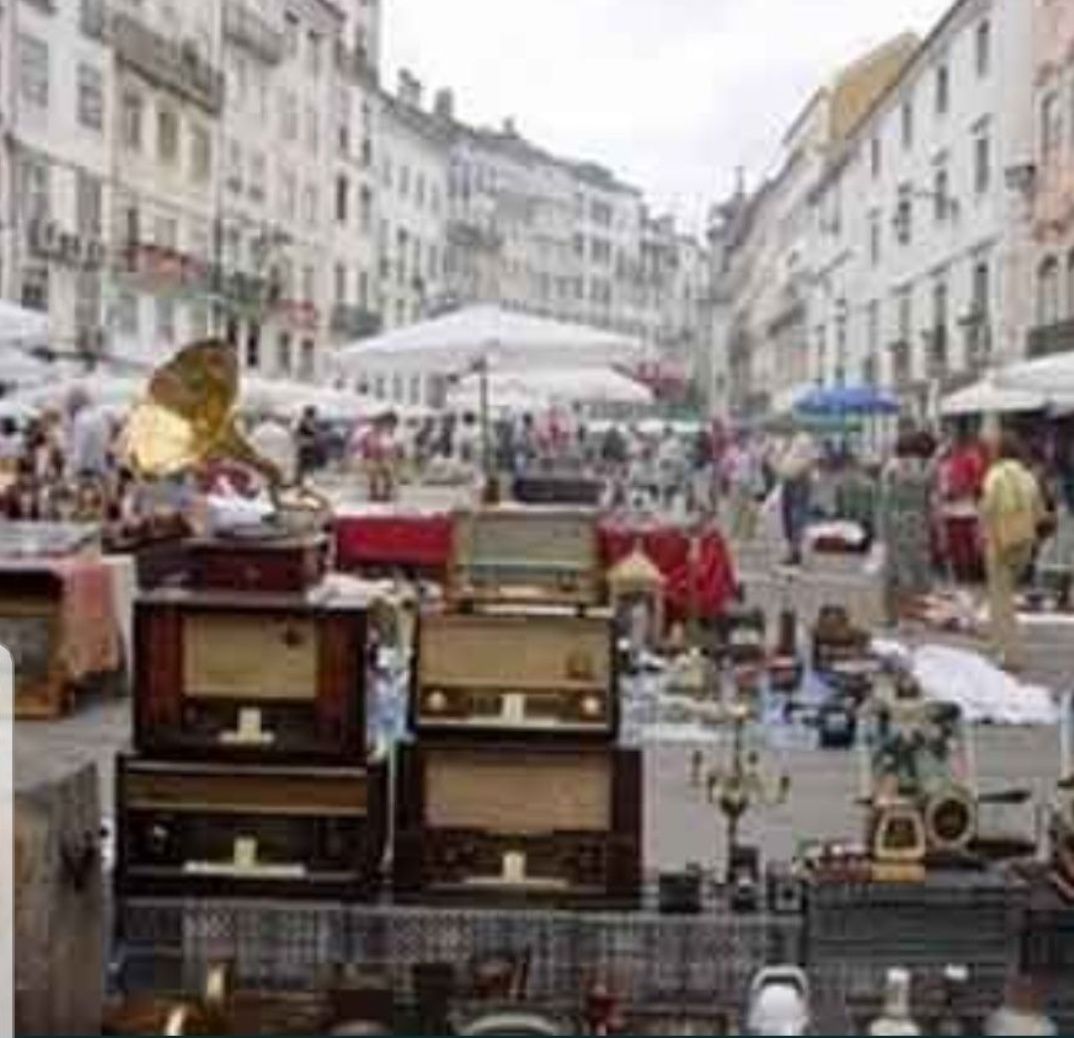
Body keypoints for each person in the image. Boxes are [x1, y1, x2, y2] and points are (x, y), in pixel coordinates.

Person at [979, 433, 1045, 672]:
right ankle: (1003, 646)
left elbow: (987, 509)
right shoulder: (1029, 477)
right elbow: (1039, 513)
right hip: (1024, 542)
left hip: (999, 542)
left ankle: (1009, 652)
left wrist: (984, 534)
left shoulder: (994, 475)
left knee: (1001, 599)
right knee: (1010, 595)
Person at [879, 432, 935, 624]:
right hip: (918, 521)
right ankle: (916, 612)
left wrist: (882, 528)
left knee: (895, 570)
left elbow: (885, 498)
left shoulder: (892, 468)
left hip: (896, 521)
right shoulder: (924, 468)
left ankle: (893, 615)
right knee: (918, 567)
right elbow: (930, 499)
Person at [938, 426, 987, 582]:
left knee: (962, 544)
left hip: (961, 509)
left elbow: (972, 483)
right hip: (960, 509)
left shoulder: (965, 458)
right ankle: (966, 574)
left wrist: (956, 492)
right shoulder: (951, 459)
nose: (947, 443)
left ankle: (965, 575)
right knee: (963, 545)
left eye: (949, 439)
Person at [776, 430, 817, 565]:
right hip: (790, 484)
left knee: (795, 519)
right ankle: (794, 551)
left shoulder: (803, 448)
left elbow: (795, 468)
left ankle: (795, 552)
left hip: (798, 484)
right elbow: (782, 469)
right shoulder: (790, 450)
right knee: (788, 519)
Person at [295, 406, 321, 478]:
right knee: (305, 462)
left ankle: (303, 477)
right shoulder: (306, 421)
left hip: (305, 444)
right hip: (306, 444)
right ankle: (303, 477)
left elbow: (297, 433)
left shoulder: (306, 421)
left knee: (305, 462)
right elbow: (312, 431)